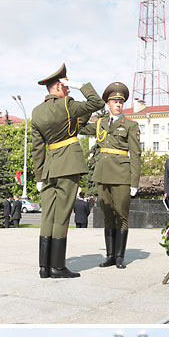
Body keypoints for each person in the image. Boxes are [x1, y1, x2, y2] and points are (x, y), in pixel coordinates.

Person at [31, 61, 103, 281]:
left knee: (48, 216)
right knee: (62, 217)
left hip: (49, 168)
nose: (69, 89)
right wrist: (81, 84)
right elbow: (97, 102)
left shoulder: (36, 112)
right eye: (67, 85)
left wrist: (38, 176)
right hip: (69, 164)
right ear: (59, 87)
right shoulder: (67, 105)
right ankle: (58, 267)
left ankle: (44, 267)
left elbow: (37, 147)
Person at [93, 82, 141, 270]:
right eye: (114, 101)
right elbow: (79, 125)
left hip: (121, 175)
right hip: (103, 174)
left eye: (120, 101)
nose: (118, 104)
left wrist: (134, 182)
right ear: (108, 104)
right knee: (107, 216)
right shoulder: (101, 123)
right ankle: (110, 256)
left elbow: (135, 154)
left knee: (121, 216)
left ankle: (120, 256)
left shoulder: (130, 125)